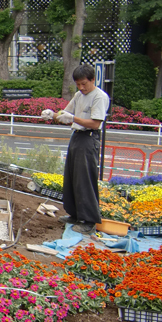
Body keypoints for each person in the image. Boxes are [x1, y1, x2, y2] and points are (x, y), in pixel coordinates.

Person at [41, 64, 109, 234]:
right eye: (78, 84)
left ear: (93, 80)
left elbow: (95, 122)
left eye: (84, 83)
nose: (81, 87)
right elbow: (65, 113)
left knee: (85, 178)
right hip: (77, 136)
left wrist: (73, 118)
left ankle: (89, 220)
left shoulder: (99, 97)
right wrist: (52, 115)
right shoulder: (79, 95)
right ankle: (75, 214)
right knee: (72, 176)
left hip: (89, 138)